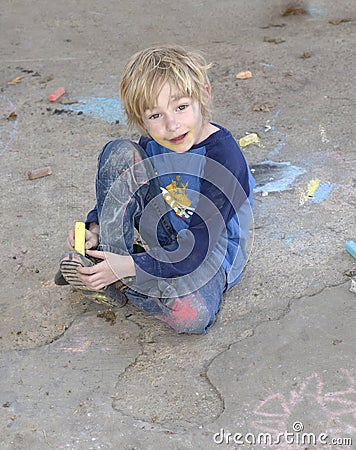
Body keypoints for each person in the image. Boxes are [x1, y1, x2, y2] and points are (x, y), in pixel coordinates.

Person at [55, 45, 255, 334]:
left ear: (204, 96)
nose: (172, 125)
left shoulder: (223, 159)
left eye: (181, 107)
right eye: (155, 115)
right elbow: (122, 189)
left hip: (207, 254)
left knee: (192, 315)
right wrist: (95, 227)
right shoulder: (154, 143)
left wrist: (128, 267)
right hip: (164, 230)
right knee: (121, 154)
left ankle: (115, 277)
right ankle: (105, 257)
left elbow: (196, 248)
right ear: (141, 120)